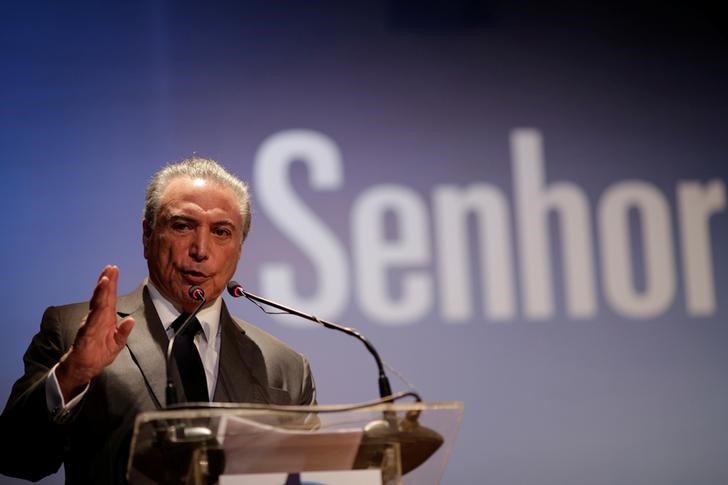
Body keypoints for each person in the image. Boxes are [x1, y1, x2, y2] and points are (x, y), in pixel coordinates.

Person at [0, 158, 316, 484]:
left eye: (221, 232)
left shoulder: (285, 367)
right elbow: (17, 458)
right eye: (182, 226)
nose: (201, 249)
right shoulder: (70, 330)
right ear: (147, 233)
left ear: (239, 250)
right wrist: (73, 373)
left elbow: (309, 475)